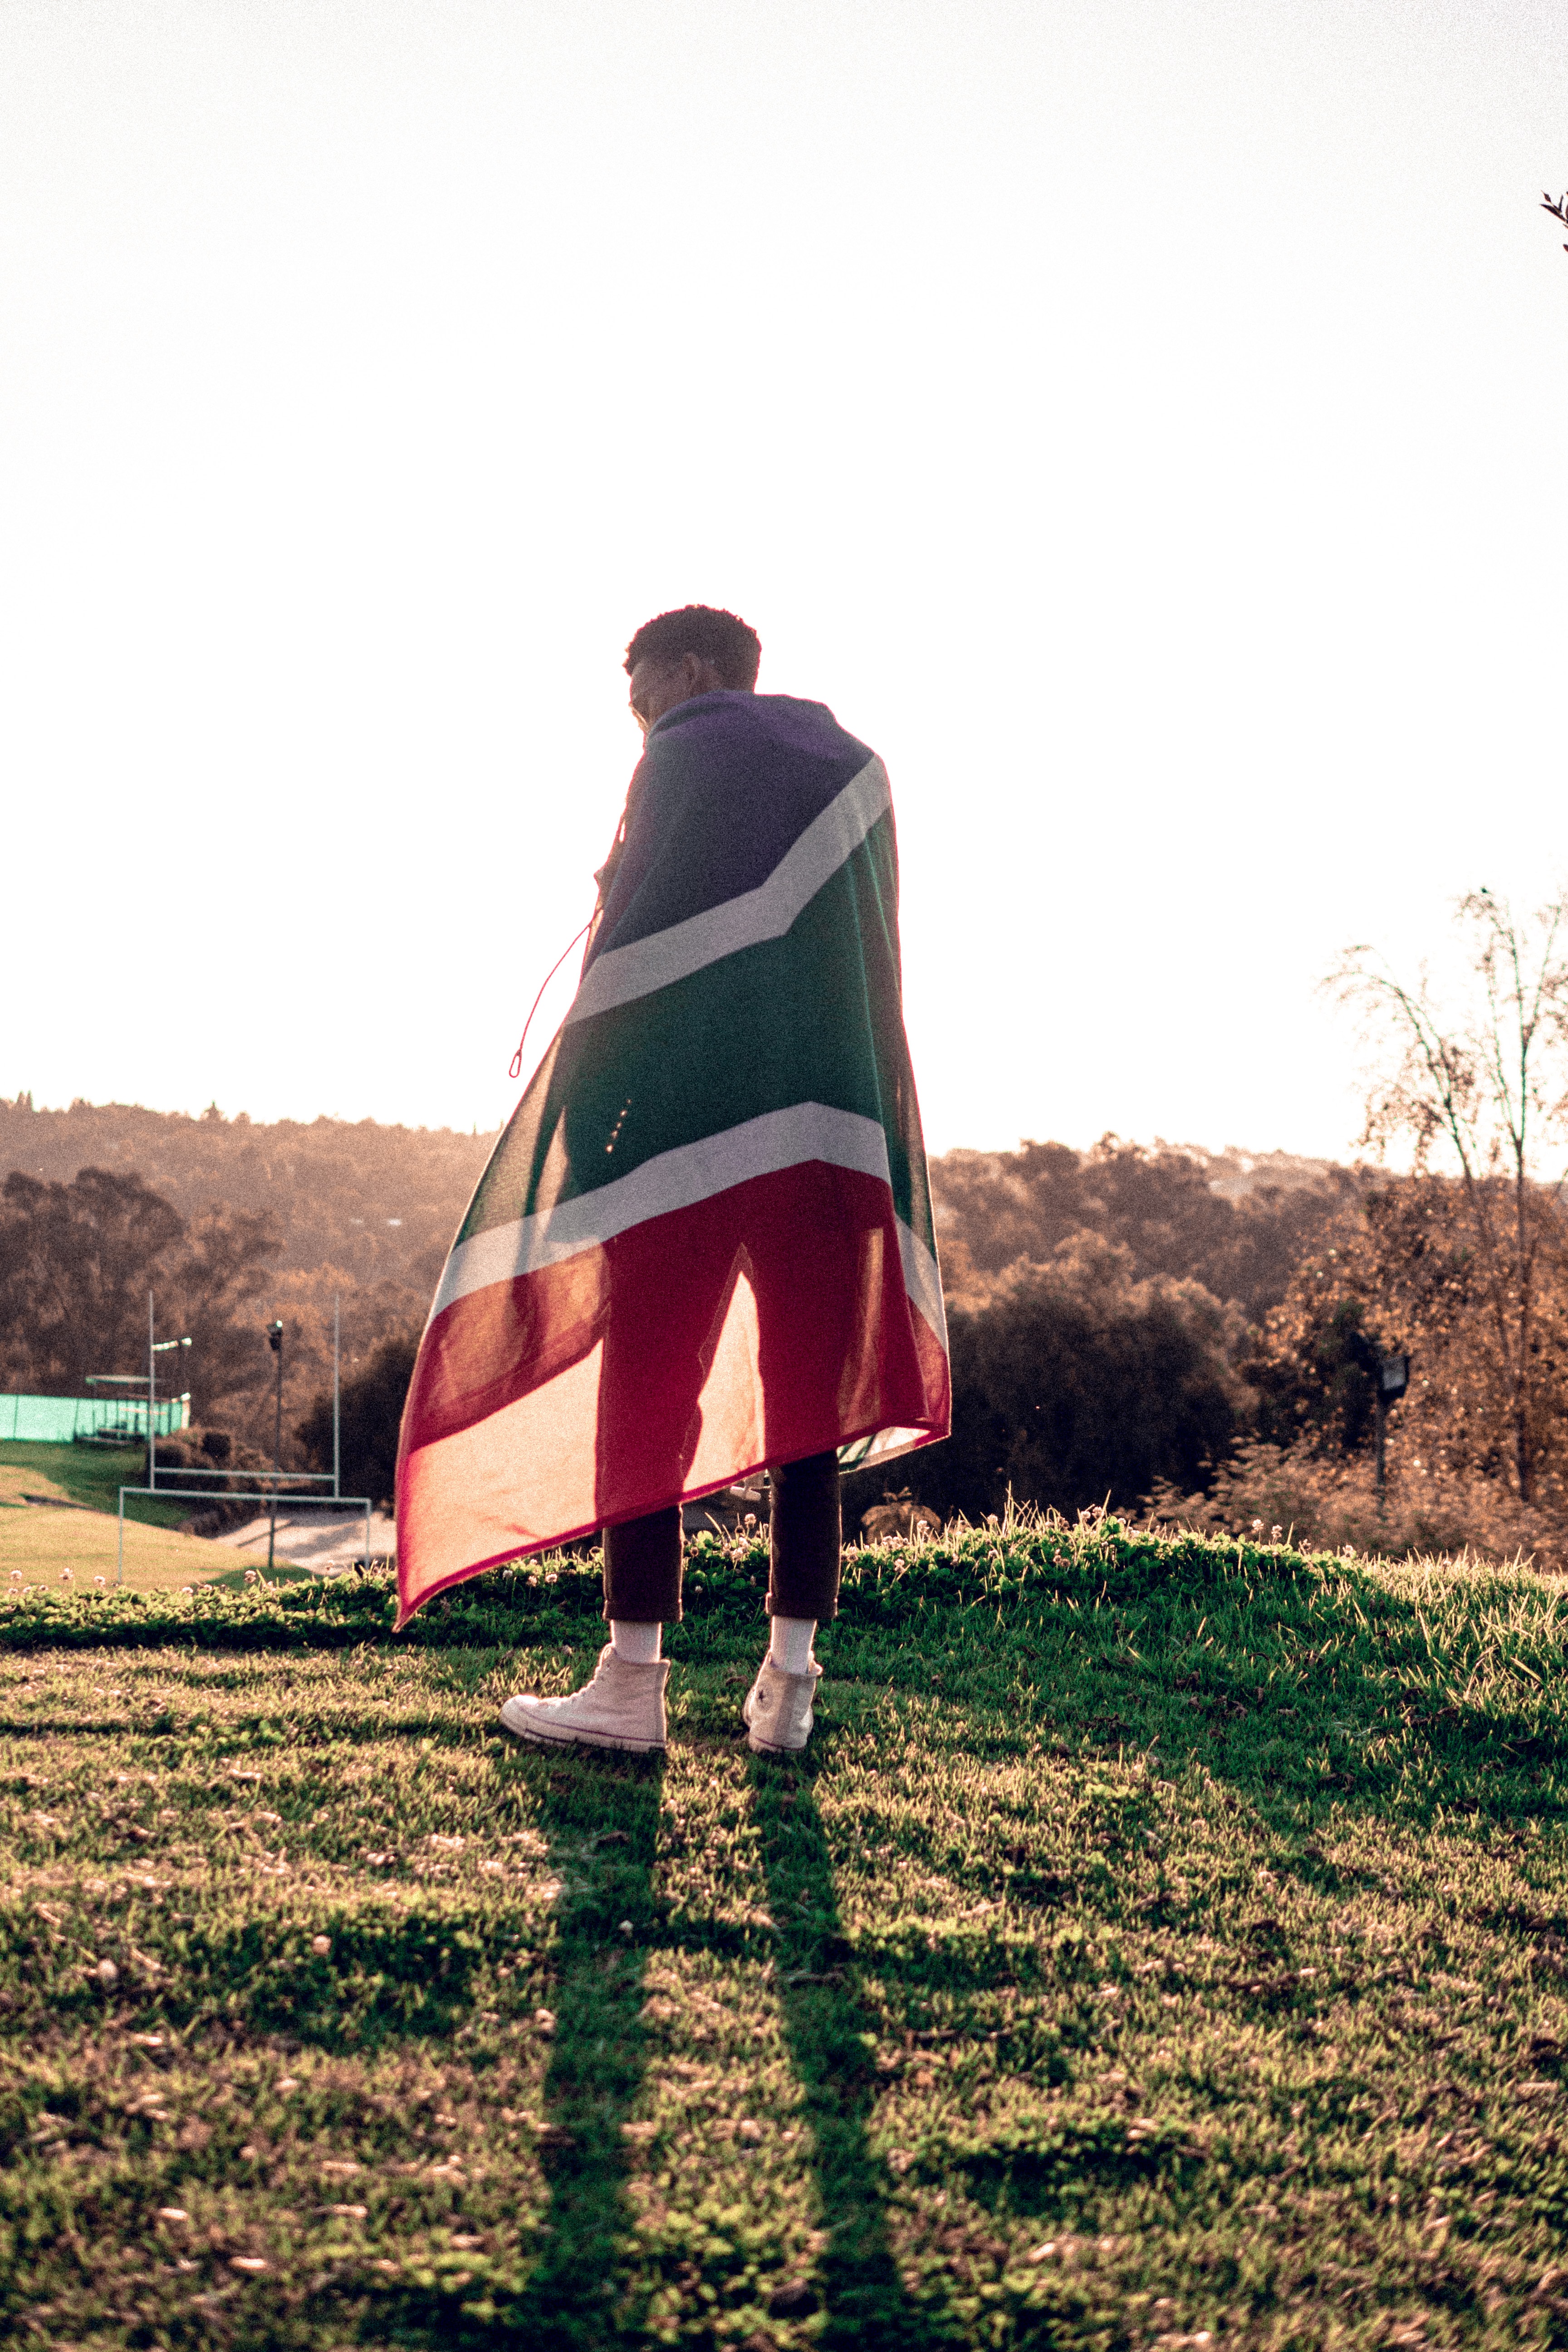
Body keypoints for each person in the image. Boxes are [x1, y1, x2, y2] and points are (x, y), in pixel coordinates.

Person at [394, 605, 949, 1756]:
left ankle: (630, 1683)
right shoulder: (860, 772)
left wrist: (589, 1137)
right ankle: (790, 1686)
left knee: (644, 1387)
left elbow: (630, 947)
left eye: (638, 679)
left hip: (688, 1138)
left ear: (693, 670)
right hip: (833, 1135)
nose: (634, 703)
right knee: (813, 1402)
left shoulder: (682, 753)